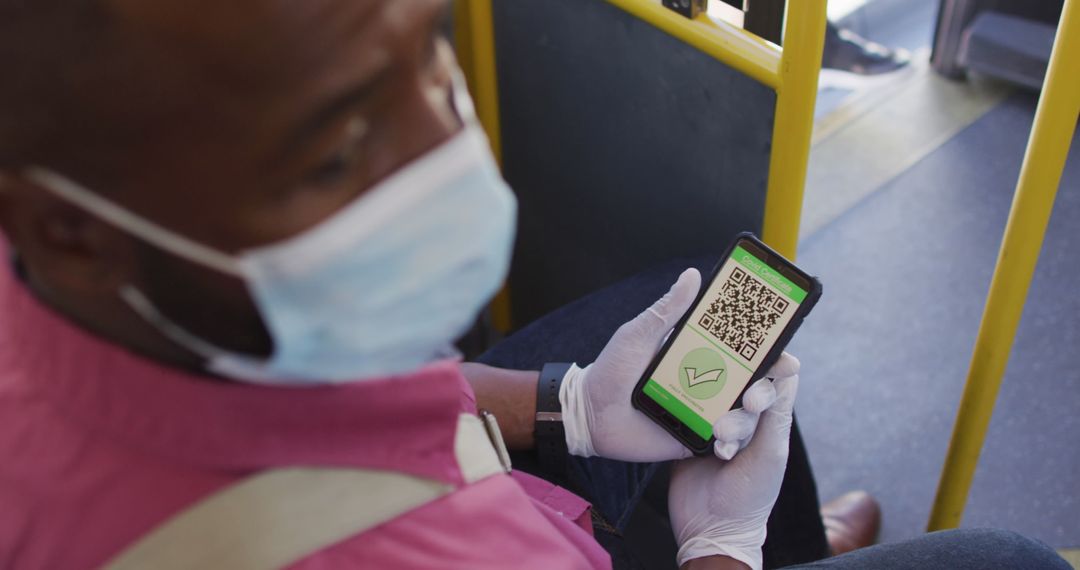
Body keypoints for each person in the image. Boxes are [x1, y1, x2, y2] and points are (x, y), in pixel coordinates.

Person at [0, 1, 1069, 569]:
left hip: (430, 462)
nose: (450, 153)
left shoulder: (71, 274)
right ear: (75, 233)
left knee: (680, 316)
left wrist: (563, 405)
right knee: (1011, 564)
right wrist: (717, 551)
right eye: (332, 155)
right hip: (495, 527)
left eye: (425, 48)